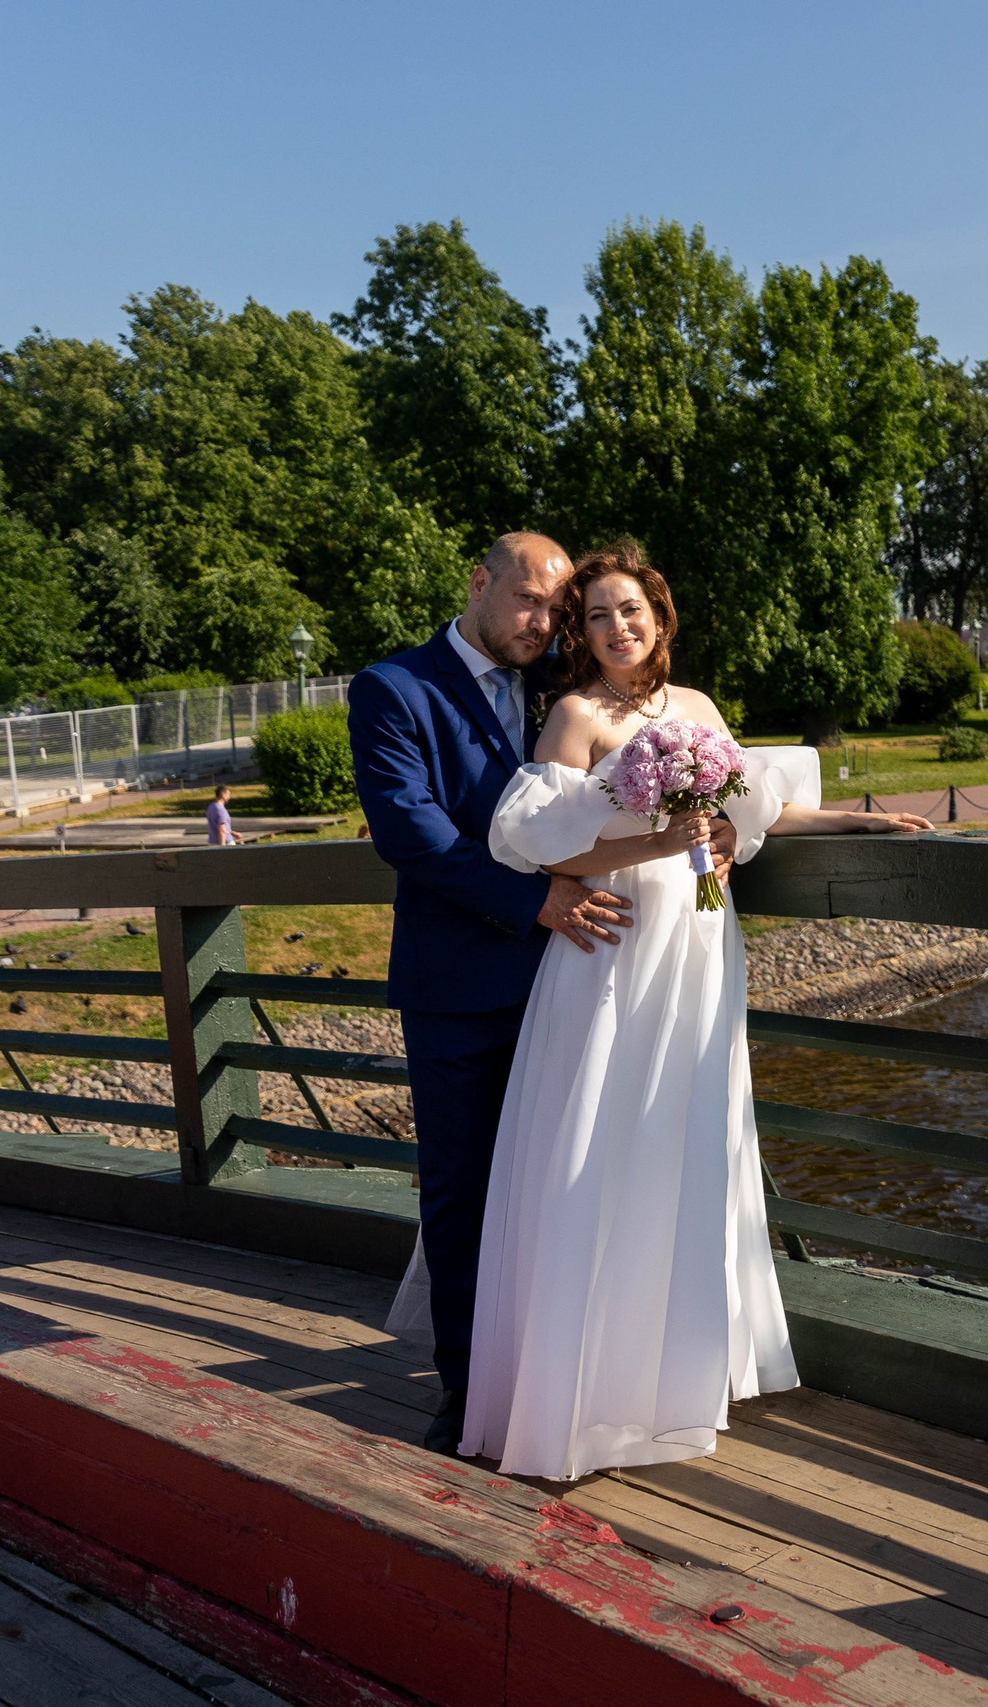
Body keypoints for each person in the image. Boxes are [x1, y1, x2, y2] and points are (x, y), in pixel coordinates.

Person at [445, 543, 929, 1479]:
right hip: (614, 955)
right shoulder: (574, 717)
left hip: (701, 950)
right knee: (602, 1145)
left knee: (683, 1141)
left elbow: (753, 812)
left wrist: (857, 821)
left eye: (631, 610)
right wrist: (660, 835)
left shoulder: (698, 711)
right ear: (581, 634)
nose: (617, 627)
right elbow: (540, 850)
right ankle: (579, 1396)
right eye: (595, 615)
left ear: (659, 617)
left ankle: (670, 1380)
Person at [354, 533, 689, 1455]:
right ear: (480, 583)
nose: (545, 622)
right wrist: (534, 897)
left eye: (557, 609)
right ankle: (470, 1396)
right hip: (460, 988)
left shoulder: (560, 690)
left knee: (561, 1184)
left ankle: (559, 1383)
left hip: (575, 980)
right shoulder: (393, 688)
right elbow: (412, 833)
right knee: (463, 1196)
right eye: (531, 602)